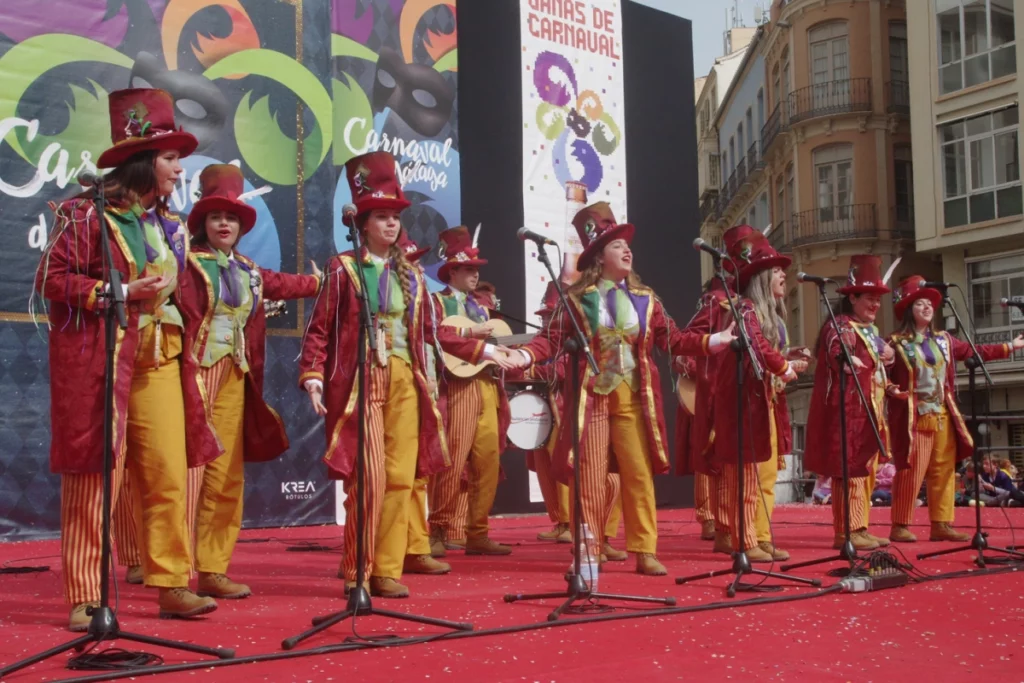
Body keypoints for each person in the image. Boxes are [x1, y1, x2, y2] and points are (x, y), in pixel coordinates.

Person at [34, 88, 221, 630]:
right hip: (106, 360)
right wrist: (116, 293)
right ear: (142, 161)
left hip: (162, 360)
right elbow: (51, 278)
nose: (179, 169)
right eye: (169, 158)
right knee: (97, 480)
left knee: (167, 475)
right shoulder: (84, 214)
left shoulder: (169, 225)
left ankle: (170, 583)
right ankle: (87, 596)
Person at [299, 151, 513, 598]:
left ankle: (387, 570)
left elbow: (437, 333)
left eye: (395, 216)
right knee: (369, 477)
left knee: (400, 479)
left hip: (405, 382)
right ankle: (359, 569)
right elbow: (320, 328)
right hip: (361, 381)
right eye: (380, 216)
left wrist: (487, 348)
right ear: (363, 223)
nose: (390, 224)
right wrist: (313, 375)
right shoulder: (344, 269)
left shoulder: (413, 277)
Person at [507, 202, 735, 575]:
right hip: (593, 398)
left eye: (627, 245)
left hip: (633, 397)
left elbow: (675, 340)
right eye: (617, 245)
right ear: (599, 255)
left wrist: (715, 340)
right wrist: (523, 357)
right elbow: (549, 340)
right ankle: (591, 548)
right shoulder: (578, 301)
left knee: (638, 473)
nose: (627, 250)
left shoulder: (646, 300)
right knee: (591, 476)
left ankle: (645, 550)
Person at [177, 164, 322, 596]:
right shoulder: (185, 263)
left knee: (224, 475)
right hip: (191, 374)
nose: (225, 223)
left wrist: (320, 281)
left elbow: (285, 283)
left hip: (235, 377)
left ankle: (213, 568)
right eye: (217, 216)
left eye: (233, 217)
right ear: (203, 222)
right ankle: (172, 571)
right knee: (187, 472)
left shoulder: (249, 270)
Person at [886, 277, 1022, 541]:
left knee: (944, 469)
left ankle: (941, 523)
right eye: (920, 303)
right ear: (907, 309)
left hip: (943, 413)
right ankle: (900, 524)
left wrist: (1009, 347)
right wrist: (892, 390)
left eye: (929, 304)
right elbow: (879, 374)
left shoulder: (944, 340)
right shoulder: (895, 343)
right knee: (911, 470)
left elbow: (974, 350)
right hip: (915, 416)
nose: (927, 308)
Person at [710, 229, 806, 562]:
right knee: (748, 477)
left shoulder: (773, 318)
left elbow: (766, 350)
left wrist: (789, 359)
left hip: (766, 402)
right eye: (777, 270)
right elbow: (757, 346)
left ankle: (761, 537)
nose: (783, 275)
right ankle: (744, 540)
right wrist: (784, 366)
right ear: (763, 277)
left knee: (765, 475)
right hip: (745, 403)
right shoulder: (746, 310)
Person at [427, 226, 513, 557]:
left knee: (488, 462)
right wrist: (470, 332)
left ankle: (477, 531)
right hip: (459, 386)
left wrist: (512, 352)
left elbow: (497, 344)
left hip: (487, 386)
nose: (475, 275)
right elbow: (434, 335)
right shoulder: (437, 302)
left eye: (477, 270)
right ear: (452, 271)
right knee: (453, 460)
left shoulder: (483, 306)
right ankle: (438, 529)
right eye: (468, 269)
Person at [804, 254, 899, 551]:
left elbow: (883, 360)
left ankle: (860, 526)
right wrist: (844, 359)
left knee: (865, 472)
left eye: (878, 300)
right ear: (853, 298)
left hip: (868, 412)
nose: (875, 305)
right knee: (851, 471)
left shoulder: (868, 331)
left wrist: (892, 358)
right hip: (850, 413)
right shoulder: (842, 325)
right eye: (869, 298)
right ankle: (848, 530)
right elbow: (835, 346)